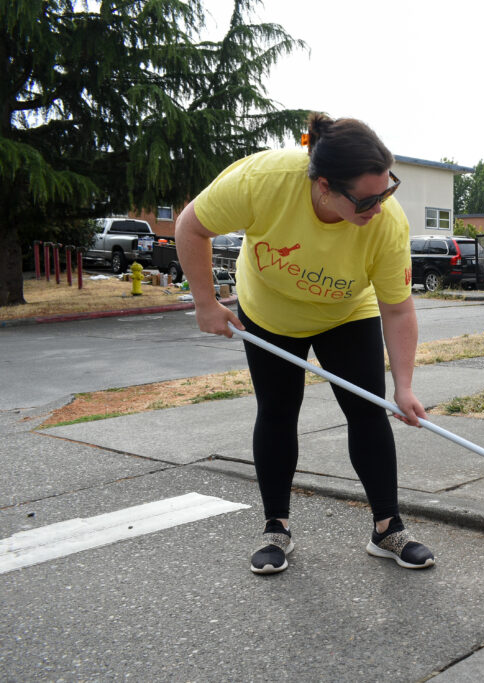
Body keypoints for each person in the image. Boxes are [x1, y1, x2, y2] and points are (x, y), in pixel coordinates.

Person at [174, 113, 434, 574]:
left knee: (367, 411)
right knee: (277, 412)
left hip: (346, 312)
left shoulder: (386, 222)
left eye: (387, 190)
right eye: (368, 199)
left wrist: (405, 386)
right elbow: (191, 226)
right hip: (269, 312)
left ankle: (387, 528)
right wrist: (205, 304)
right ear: (324, 187)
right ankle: (276, 529)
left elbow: (398, 308)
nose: (379, 206)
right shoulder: (264, 180)